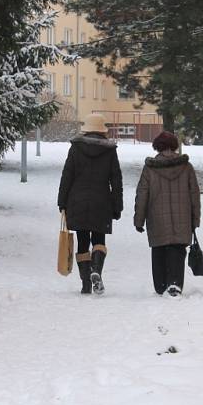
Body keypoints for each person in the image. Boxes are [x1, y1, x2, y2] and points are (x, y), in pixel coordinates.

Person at [58, 113, 123, 295]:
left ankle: (86, 283)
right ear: (103, 131)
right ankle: (96, 270)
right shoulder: (110, 151)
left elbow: (67, 175)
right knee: (99, 241)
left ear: (85, 129)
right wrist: (117, 206)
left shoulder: (76, 149)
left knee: (82, 242)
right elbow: (116, 180)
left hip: (77, 202)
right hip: (101, 202)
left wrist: (62, 202)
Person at [133, 131, 201, 297]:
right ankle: (175, 283)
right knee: (177, 249)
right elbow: (194, 194)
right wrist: (195, 218)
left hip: (157, 219)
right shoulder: (186, 167)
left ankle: (160, 285)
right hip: (182, 217)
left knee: (159, 249)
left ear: (158, 147)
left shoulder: (150, 168)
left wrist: (139, 220)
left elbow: (142, 195)